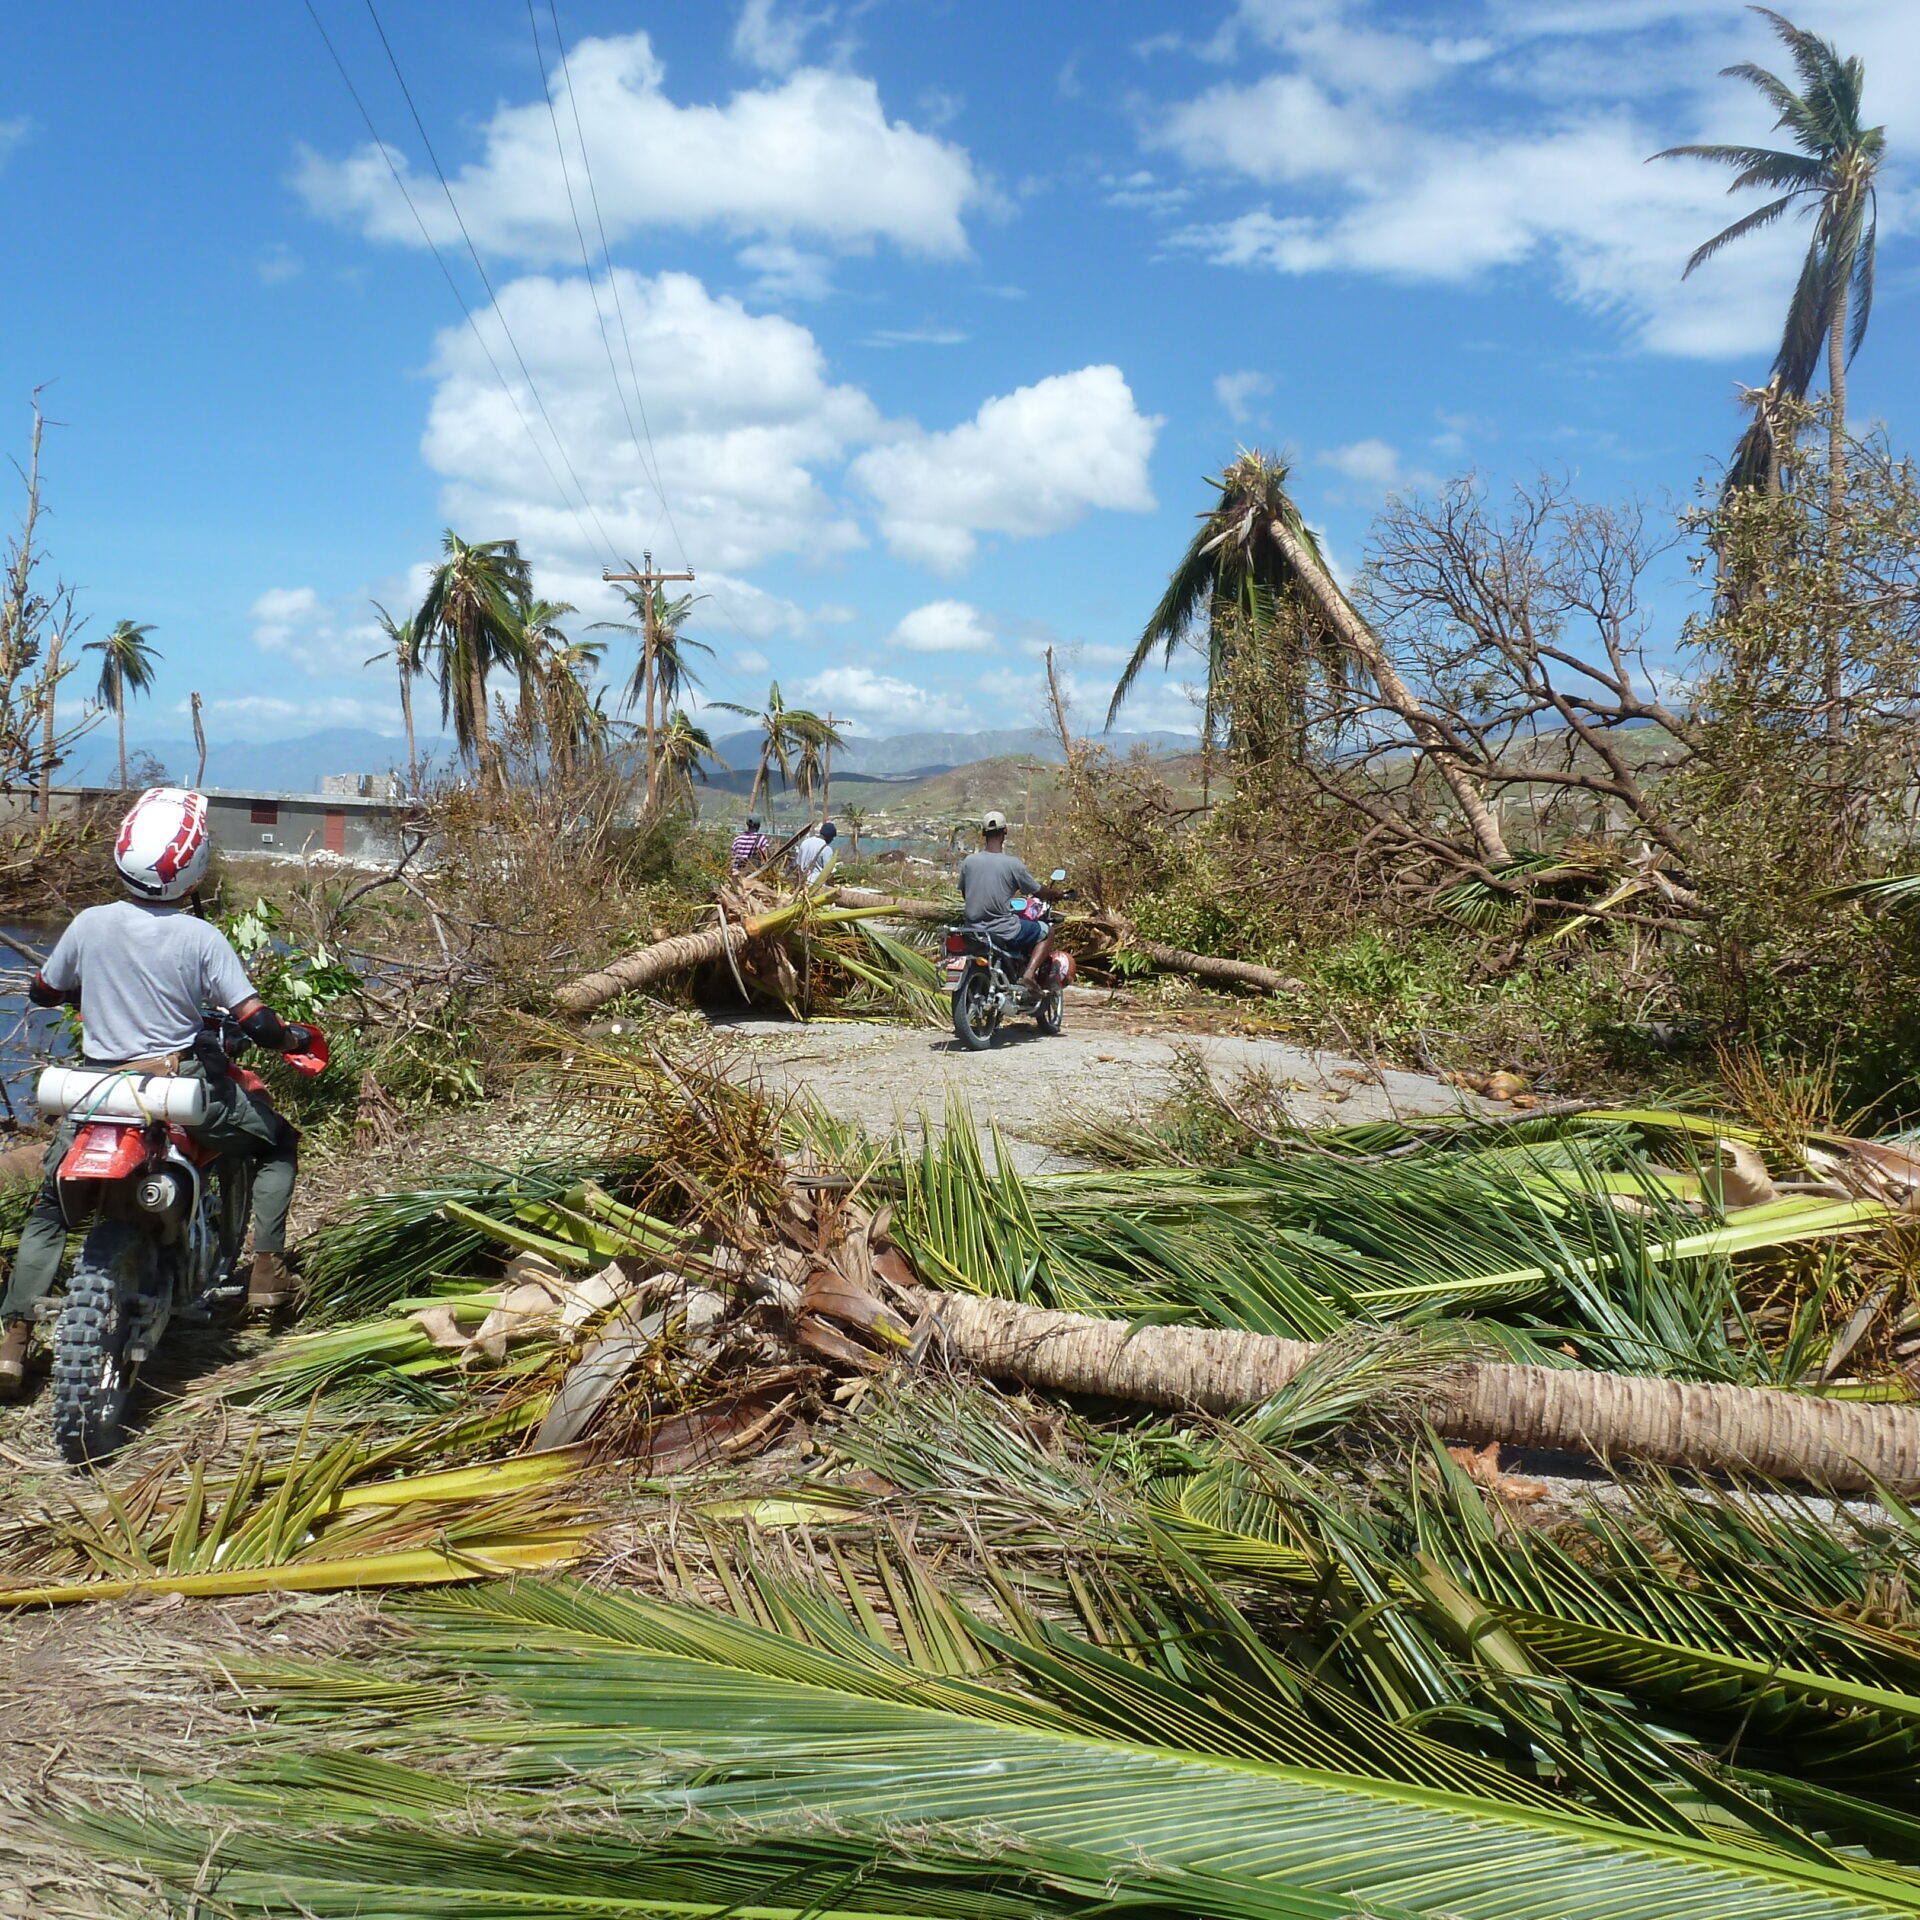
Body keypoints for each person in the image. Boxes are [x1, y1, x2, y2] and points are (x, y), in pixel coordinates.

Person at [0, 789, 320, 1399]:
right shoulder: (199, 937)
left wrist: (89, 993)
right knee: (277, 1142)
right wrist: (293, 1035)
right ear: (193, 867)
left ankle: (13, 1338)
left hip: (98, 1087)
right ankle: (265, 1271)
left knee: (50, 1209)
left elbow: (44, 991)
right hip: (177, 1085)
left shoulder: (90, 923)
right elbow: (254, 1022)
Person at [958, 810, 1065, 988]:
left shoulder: (969, 862)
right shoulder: (1013, 864)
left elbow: (965, 893)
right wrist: (1057, 894)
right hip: (1003, 929)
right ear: (1005, 831)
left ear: (983, 833)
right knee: (1047, 931)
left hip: (973, 928)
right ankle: (1029, 973)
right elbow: (1038, 891)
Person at [792, 820, 837, 885]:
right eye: (832, 837)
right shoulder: (826, 849)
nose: (832, 840)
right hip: (816, 885)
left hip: (802, 882)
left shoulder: (805, 842)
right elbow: (829, 871)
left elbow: (798, 864)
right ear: (829, 836)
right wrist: (831, 886)